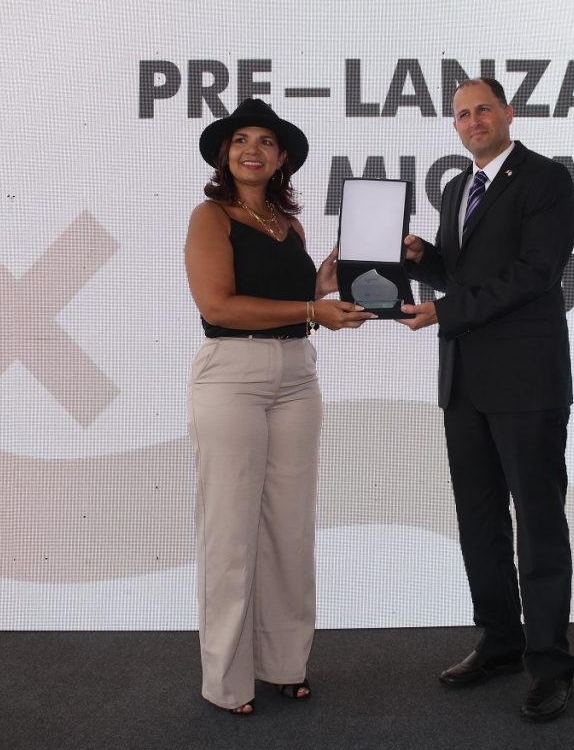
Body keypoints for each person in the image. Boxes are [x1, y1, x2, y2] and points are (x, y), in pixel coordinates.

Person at [399, 78, 574, 722]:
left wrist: (445, 312)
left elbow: (535, 274)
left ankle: (550, 664)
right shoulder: (457, 188)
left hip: (527, 382)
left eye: (483, 110)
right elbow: (462, 276)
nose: (472, 121)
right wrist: (422, 259)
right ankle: (500, 641)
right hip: (465, 383)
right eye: (461, 114)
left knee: (537, 522)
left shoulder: (546, 179)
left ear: (508, 113)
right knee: (479, 521)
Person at [185, 98, 373, 716]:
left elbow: (290, 301)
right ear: (225, 154)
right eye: (241, 140)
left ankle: (285, 664)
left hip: (296, 374)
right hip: (231, 376)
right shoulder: (211, 217)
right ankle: (226, 681)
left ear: (282, 158)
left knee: (290, 528)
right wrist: (313, 308)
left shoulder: (289, 225)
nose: (253, 150)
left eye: (266, 141)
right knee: (231, 533)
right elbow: (219, 306)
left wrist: (323, 285)